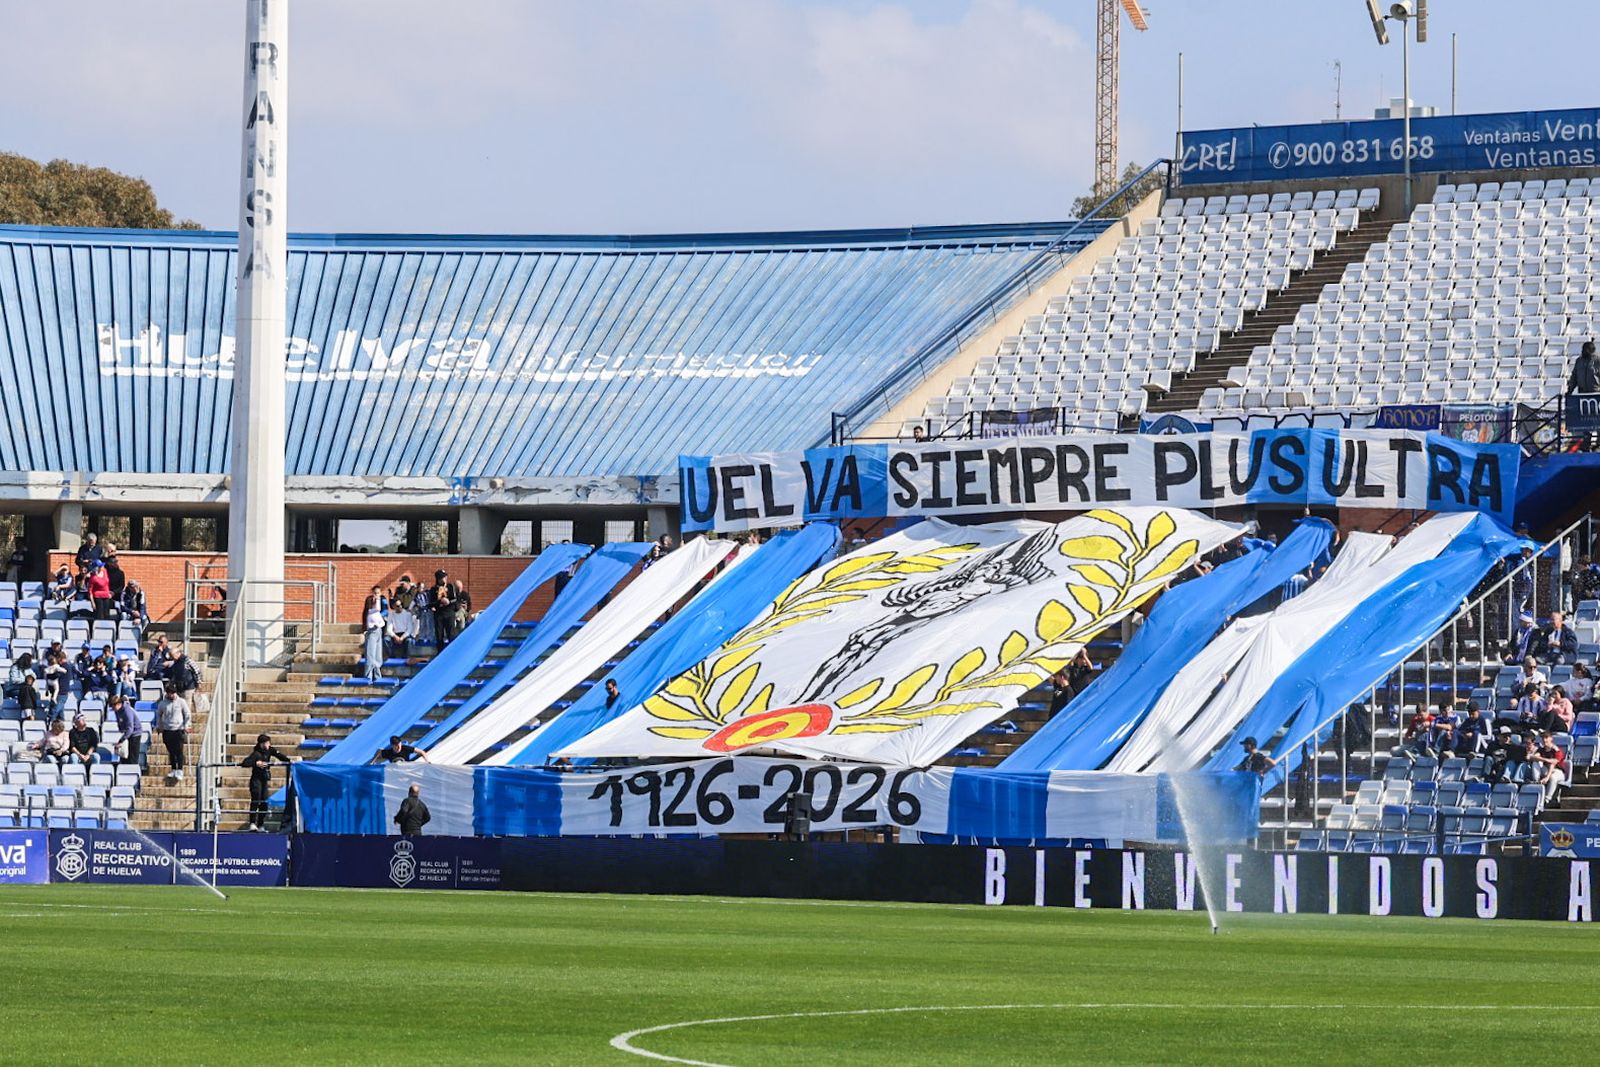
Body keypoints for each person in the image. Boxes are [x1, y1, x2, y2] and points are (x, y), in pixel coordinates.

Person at [239, 733, 293, 832]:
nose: (268, 745)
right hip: (256, 779)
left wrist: (289, 761)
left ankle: (260, 824)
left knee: (264, 801)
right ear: (261, 744)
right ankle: (252, 823)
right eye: (266, 743)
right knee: (256, 799)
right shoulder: (256, 753)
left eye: (268, 743)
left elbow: (279, 755)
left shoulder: (270, 750)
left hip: (264, 780)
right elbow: (245, 763)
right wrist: (256, 763)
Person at [155, 682, 191, 782]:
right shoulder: (162, 703)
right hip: (167, 730)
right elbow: (158, 715)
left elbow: (187, 714)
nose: (172, 695)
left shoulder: (181, 702)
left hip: (178, 729)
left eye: (173, 693)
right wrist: (159, 726)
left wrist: (186, 725)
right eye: (170, 693)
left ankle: (180, 770)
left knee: (179, 750)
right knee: (171, 751)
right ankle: (173, 769)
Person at [108, 694, 145, 768]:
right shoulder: (117, 711)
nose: (112, 708)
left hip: (135, 733)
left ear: (119, 704)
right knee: (124, 757)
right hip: (126, 733)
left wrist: (121, 740)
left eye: (113, 706)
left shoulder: (127, 711)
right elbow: (119, 721)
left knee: (132, 758)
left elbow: (130, 728)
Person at [1533, 731, 1568, 802]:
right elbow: (1534, 757)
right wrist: (1545, 759)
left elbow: (1553, 763)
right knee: (1535, 763)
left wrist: (1547, 777)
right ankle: (1536, 782)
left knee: (1553, 777)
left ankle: (1547, 798)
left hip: (1558, 771)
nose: (1544, 740)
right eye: (1543, 738)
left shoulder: (1556, 751)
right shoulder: (1541, 749)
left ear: (1551, 739)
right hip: (1546, 769)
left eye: (1546, 737)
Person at [361, 587, 386, 683]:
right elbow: (369, 623)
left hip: (378, 632)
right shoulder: (370, 613)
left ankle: (377, 675)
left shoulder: (377, 613)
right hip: (372, 632)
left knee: (377, 654)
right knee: (370, 654)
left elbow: (382, 622)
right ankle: (368, 675)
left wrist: (378, 625)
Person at [430, 570, 456, 648]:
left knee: (451, 634)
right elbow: (431, 602)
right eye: (442, 577)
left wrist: (448, 601)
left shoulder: (450, 587)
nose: (444, 579)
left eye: (445, 577)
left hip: (449, 613)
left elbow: (455, 599)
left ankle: (452, 652)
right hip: (439, 614)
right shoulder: (434, 589)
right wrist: (440, 601)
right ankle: (440, 652)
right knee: (439, 635)